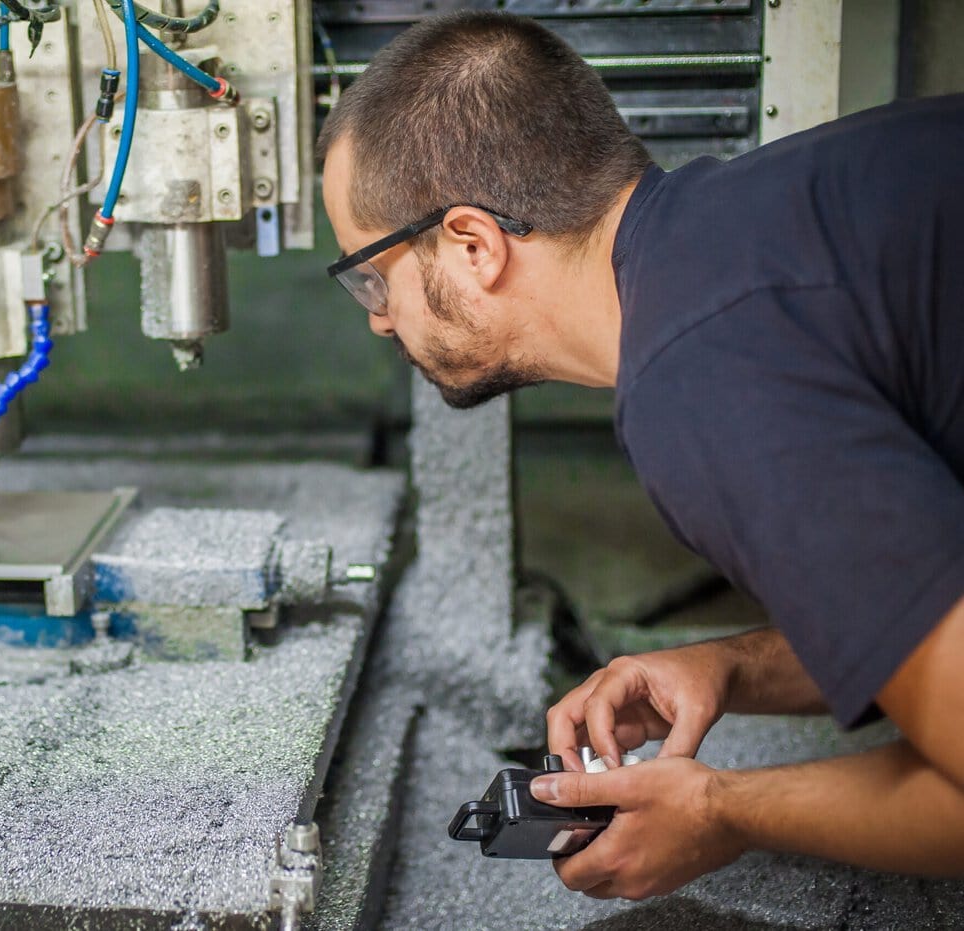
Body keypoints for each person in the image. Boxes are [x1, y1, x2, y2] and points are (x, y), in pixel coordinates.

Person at [317, 10, 964, 898]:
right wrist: (734, 666)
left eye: (371, 272)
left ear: (473, 245)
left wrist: (723, 810)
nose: (378, 315)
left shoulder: (698, 381)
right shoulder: (750, 229)